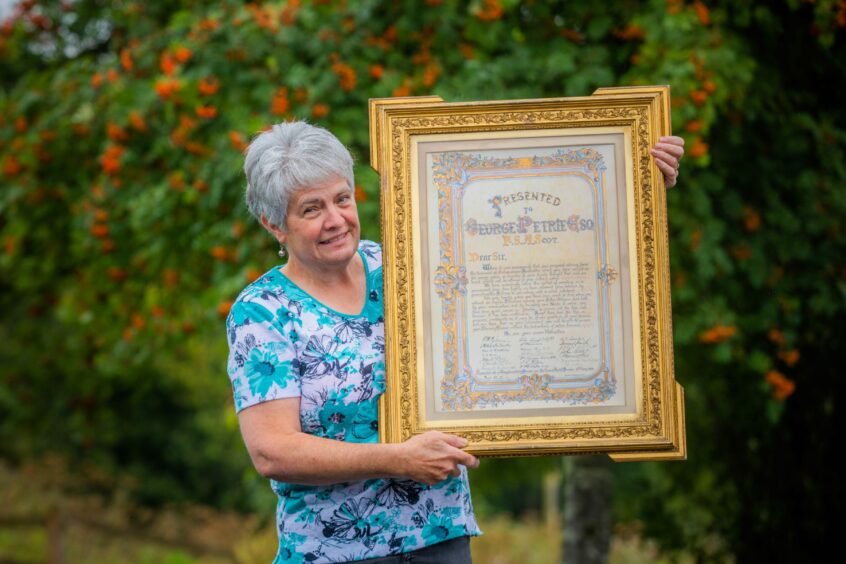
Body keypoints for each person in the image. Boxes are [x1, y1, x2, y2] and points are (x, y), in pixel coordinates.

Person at [225, 121, 684, 564]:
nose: (335, 219)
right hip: (333, 553)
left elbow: (531, 258)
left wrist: (636, 187)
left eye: (342, 199)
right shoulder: (263, 311)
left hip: (440, 538)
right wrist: (398, 459)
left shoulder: (406, 264)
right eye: (311, 209)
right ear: (274, 225)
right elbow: (273, 451)